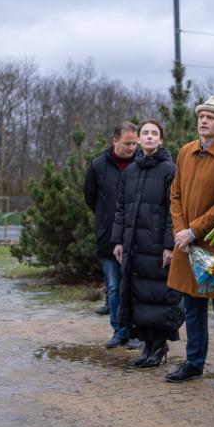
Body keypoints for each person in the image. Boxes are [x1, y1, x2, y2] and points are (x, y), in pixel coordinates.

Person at [165, 96, 214, 390]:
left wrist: (193, 231)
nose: (204, 120)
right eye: (201, 115)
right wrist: (180, 232)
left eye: (211, 117)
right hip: (186, 243)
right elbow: (175, 195)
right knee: (192, 306)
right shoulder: (186, 151)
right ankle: (194, 362)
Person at [111, 121, 182, 367]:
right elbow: (121, 207)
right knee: (138, 296)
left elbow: (174, 210)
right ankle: (147, 345)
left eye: (155, 133)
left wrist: (169, 245)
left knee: (158, 296)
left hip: (156, 246)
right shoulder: (130, 171)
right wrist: (118, 240)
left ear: (161, 140)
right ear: (138, 139)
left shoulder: (169, 169)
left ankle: (159, 345)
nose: (150, 137)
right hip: (134, 245)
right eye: (145, 133)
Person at [84, 122, 140, 348]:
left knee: (135, 286)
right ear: (115, 141)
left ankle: (137, 331)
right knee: (114, 286)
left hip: (138, 235)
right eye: (127, 143)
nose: (132, 147)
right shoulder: (98, 166)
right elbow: (90, 197)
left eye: (134, 143)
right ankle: (120, 331)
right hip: (108, 236)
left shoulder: (141, 163)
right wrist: (107, 220)